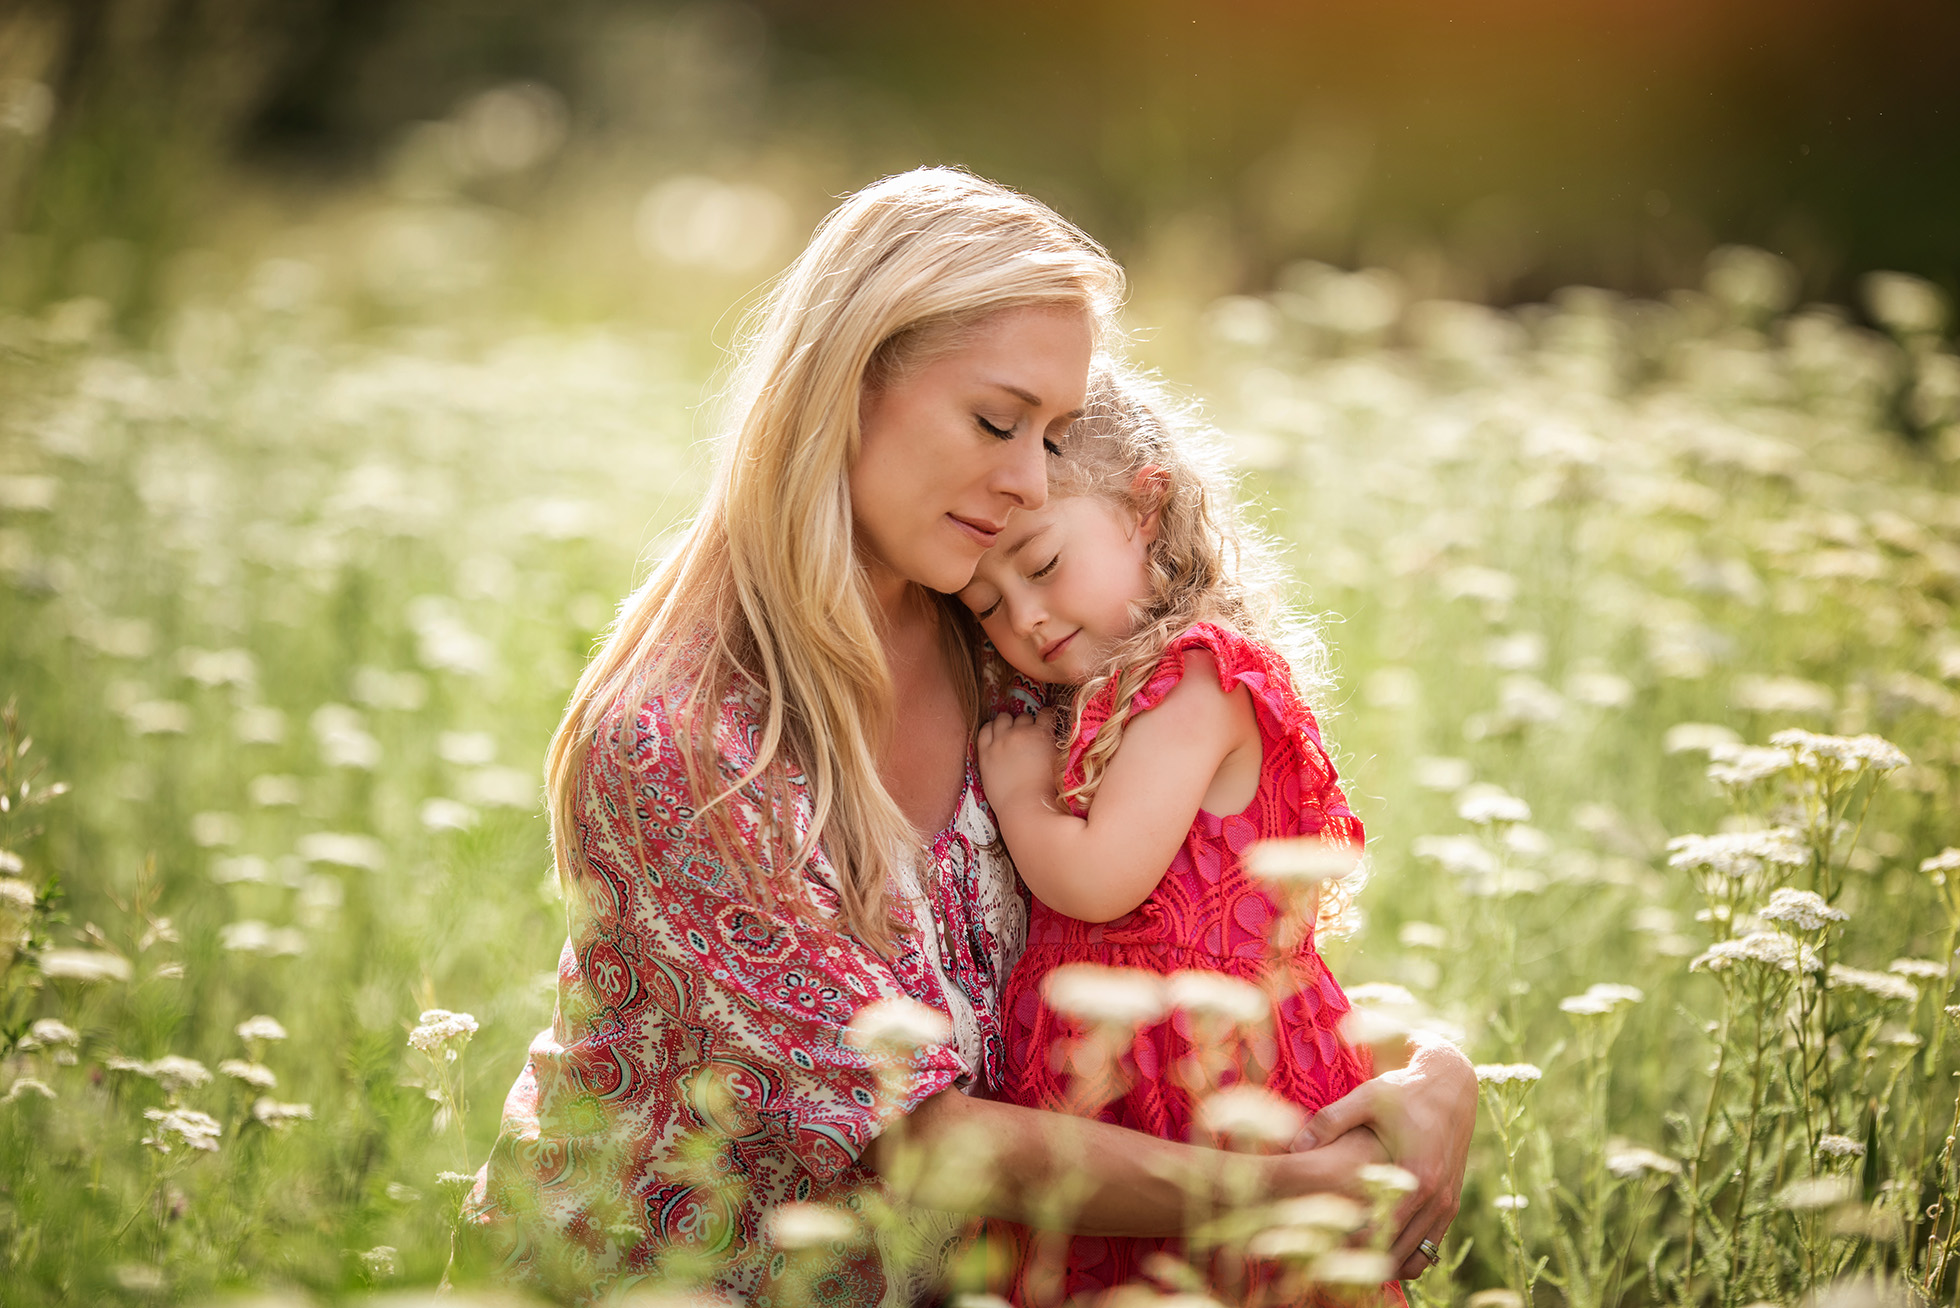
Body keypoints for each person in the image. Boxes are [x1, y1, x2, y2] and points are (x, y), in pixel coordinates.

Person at [462, 166, 1474, 1306]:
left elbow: (1194, 937)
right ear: (846, 385)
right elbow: (914, 1136)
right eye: (997, 421)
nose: (1023, 482)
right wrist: (1305, 1193)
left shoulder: (1007, 643)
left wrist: (1427, 1068)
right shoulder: (685, 740)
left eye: (1052, 437)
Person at [962, 369, 1398, 1304]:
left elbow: (1100, 881)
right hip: (1135, 1093)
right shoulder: (1107, 689)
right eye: (986, 605)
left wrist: (1022, 796)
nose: (1024, 617)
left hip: (1211, 1087)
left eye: (1039, 566)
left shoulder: (1192, 676)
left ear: (1146, 506)